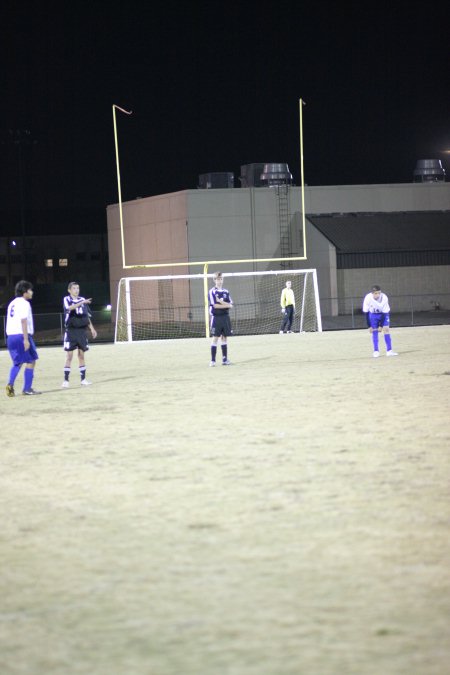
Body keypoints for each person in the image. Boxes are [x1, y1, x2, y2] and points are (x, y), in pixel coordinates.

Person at [5, 280, 41, 396]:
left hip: (11, 336)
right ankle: (27, 389)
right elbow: (24, 321)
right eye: (30, 290)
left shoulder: (12, 303)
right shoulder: (24, 303)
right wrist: (25, 339)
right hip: (21, 335)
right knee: (31, 360)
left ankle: (10, 385)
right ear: (25, 292)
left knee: (18, 362)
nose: (32, 292)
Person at [62, 282, 97, 387]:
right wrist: (82, 303)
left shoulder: (83, 299)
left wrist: (92, 328)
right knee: (69, 356)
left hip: (82, 331)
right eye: (74, 288)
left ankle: (83, 380)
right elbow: (69, 308)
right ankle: (66, 381)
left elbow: (87, 316)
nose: (76, 290)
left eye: (78, 288)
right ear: (69, 290)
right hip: (71, 331)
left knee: (81, 355)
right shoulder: (66, 299)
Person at [362, 285, 398, 358]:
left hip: (383, 314)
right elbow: (366, 313)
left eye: (379, 293)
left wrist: (381, 326)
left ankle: (389, 350)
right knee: (374, 332)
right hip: (373, 315)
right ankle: (376, 351)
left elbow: (385, 313)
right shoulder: (368, 298)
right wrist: (369, 326)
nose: (378, 295)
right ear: (372, 293)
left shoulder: (384, 297)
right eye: (375, 293)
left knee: (386, 329)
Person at [208, 271, 233, 366]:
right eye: (218, 279)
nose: (220, 281)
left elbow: (231, 305)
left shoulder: (226, 292)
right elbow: (215, 306)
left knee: (224, 338)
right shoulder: (212, 291)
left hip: (225, 318)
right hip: (216, 318)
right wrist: (226, 305)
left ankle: (224, 359)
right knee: (215, 338)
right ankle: (213, 360)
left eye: (221, 279)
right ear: (214, 280)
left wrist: (221, 302)